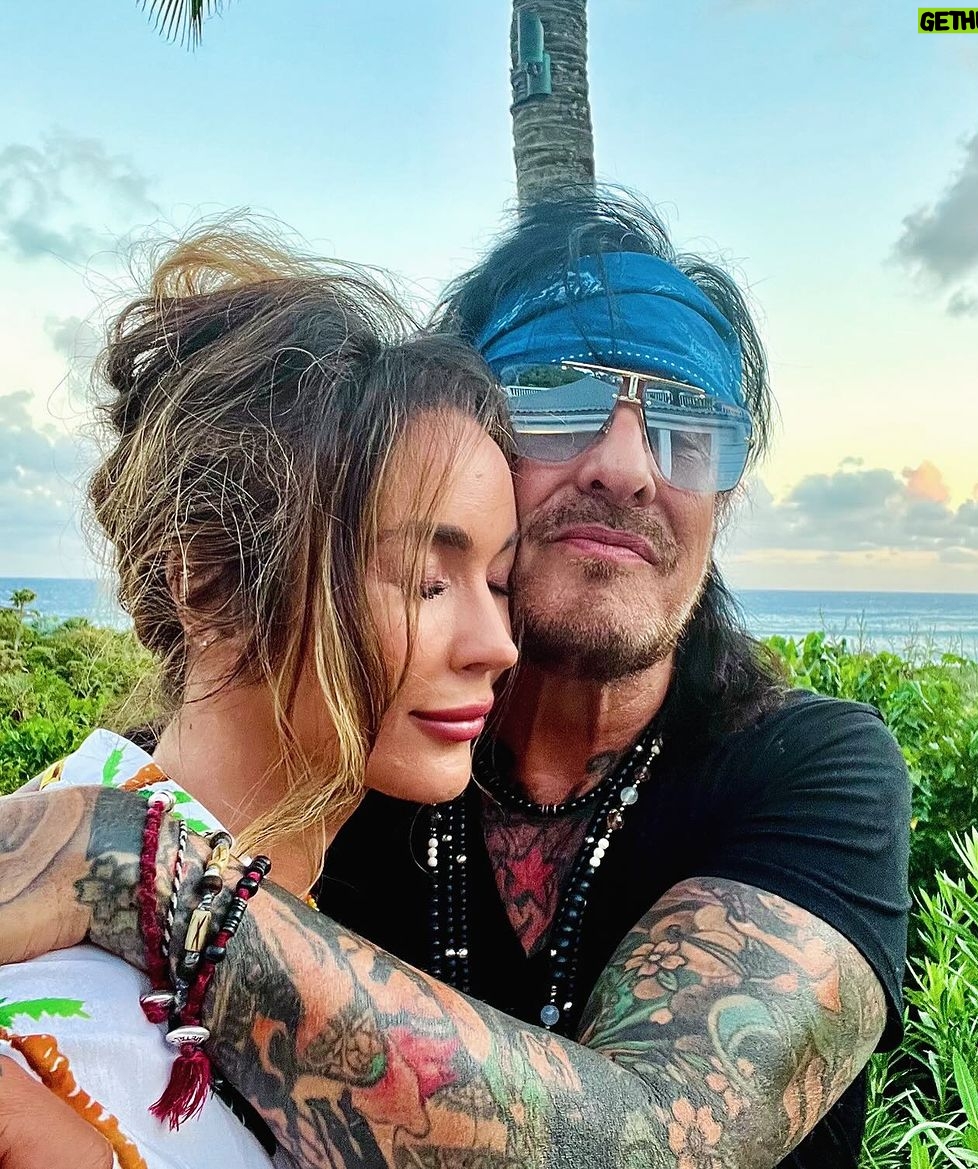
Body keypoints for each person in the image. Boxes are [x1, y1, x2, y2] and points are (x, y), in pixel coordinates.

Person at [0, 191, 910, 1169]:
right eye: (557, 399)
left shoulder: (809, 768)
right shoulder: (331, 769)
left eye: (692, 429)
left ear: (723, 498)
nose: (627, 465)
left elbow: (665, 1143)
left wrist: (144, 871)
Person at [0, 228, 518, 1168]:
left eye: (500, 580)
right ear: (204, 579)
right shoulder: (51, 1033)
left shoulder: (283, 927)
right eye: (426, 581)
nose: (498, 644)